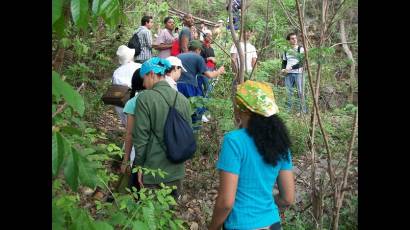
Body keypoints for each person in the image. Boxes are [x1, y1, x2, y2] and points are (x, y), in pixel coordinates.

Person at [209, 80, 295, 230]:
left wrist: (212, 227)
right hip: (273, 224)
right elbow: (288, 198)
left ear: (244, 111)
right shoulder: (280, 142)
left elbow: (226, 203)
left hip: (240, 224)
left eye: (236, 106)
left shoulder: (234, 141)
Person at [132, 57, 192, 199]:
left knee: (151, 217)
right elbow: (189, 134)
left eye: (144, 78)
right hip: (176, 171)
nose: (143, 83)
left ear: (152, 74)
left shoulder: (145, 98)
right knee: (169, 217)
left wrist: (139, 167)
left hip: (153, 171)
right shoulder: (182, 99)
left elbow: (141, 138)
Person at [177, 40, 225, 123]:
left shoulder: (178, 56)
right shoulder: (198, 57)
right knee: (193, 110)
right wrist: (219, 71)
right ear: (198, 50)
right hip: (189, 85)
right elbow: (209, 75)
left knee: (180, 110)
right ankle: (194, 128)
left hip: (176, 85)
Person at [120, 68, 145, 174]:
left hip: (137, 152)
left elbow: (129, 133)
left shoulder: (132, 102)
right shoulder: (158, 99)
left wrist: (125, 160)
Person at [112, 45, 141, 126]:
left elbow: (115, 88)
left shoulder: (117, 72)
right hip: (138, 100)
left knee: (128, 126)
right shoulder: (139, 66)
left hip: (122, 103)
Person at [281, 32, 307, 114]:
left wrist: (290, 68)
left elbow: (302, 62)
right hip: (288, 74)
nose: (294, 40)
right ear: (289, 40)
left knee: (300, 92)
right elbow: (284, 61)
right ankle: (287, 111)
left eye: (295, 38)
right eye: (292, 38)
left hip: (298, 73)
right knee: (288, 92)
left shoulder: (300, 49)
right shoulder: (285, 50)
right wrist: (283, 69)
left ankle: (302, 111)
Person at [200, 30, 217, 96]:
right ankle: (206, 103)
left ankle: (208, 102)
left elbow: (214, 58)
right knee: (208, 87)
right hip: (205, 69)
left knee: (211, 86)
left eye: (211, 36)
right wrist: (208, 58)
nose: (210, 37)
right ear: (204, 37)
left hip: (212, 69)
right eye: (208, 36)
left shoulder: (211, 48)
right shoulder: (201, 47)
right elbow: (199, 59)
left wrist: (215, 65)